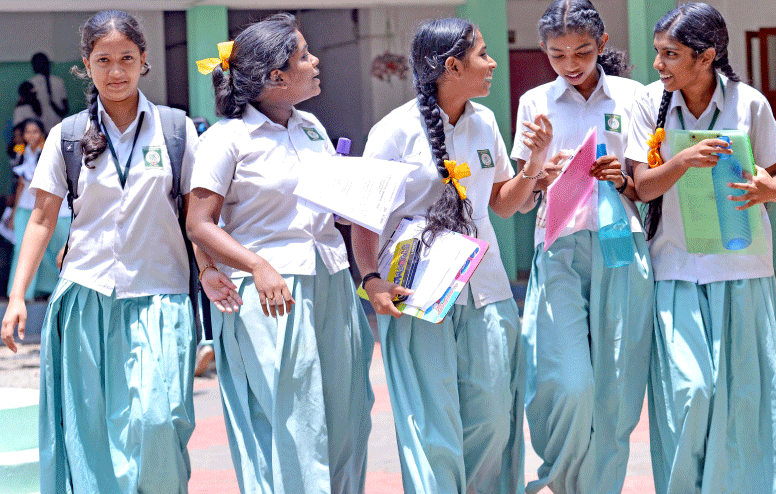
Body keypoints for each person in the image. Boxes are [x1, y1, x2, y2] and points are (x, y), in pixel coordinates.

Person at [1, 10, 201, 492]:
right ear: (86, 65)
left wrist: (211, 270)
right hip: (85, 295)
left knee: (157, 420)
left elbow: (198, 216)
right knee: (88, 431)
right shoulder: (67, 135)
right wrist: (17, 296)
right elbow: (42, 219)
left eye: (126, 58)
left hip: (160, 294)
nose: (116, 71)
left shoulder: (175, 130)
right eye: (104, 60)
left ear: (144, 60)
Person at [351, 17, 552, 494]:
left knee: (494, 420)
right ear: (452, 66)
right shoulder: (393, 131)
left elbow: (502, 204)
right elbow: (363, 217)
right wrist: (371, 279)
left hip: (488, 290)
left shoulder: (485, 122)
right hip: (417, 297)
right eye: (482, 54)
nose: (492, 63)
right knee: (432, 428)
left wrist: (534, 165)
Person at [185, 14, 374, 494]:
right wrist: (256, 264)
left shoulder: (311, 127)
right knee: (296, 419)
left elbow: (327, 209)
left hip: (331, 277)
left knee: (349, 413)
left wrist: (361, 200)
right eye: (304, 56)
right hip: (270, 291)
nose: (315, 62)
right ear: (275, 77)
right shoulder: (226, 139)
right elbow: (199, 223)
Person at [626, 4, 776, 493]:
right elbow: (643, 187)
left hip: (743, 269)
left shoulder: (750, 104)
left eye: (670, 54)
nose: (658, 64)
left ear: (706, 56)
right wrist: (682, 160)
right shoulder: (647, 103)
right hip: (674, 268)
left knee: (745, 399)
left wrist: (765, 190)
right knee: (691, 391)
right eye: (658, 52)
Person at [509, 2, 655, 493]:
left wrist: (622, 177)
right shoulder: (535, 102)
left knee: (617, 387)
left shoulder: (634, 96)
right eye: (557, 54)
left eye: (582, 51)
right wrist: (541, 172)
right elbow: (521, 199)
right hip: (557, 248)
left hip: (621, 246)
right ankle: (562, 479)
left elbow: (645, 184)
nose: (570, 64)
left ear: (603, 44)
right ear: (543, 50)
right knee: (568, 381)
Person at [6, 118, 71, 299]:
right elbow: (20, 185)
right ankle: (20, 294)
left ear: (42, 134)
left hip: (45, 207)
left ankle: (54, 290)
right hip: (25, 207)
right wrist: (13, 212)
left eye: (35, 131)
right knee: (21, 249)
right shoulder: (20, 154)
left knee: (50, 251)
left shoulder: (48, 152)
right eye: (28, 132)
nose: (31, 136)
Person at [29, 52, 70, 131]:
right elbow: (65, 107)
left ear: (34, 66)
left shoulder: (31, 83)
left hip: (40, 128)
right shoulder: (58, 81)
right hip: (58, 125)